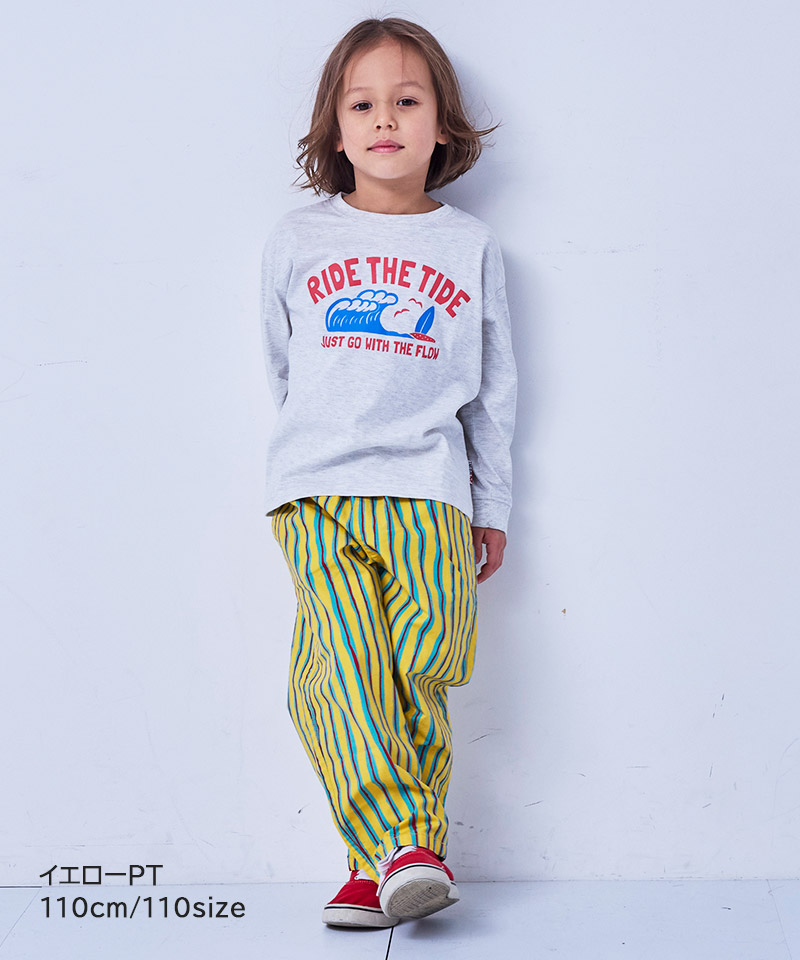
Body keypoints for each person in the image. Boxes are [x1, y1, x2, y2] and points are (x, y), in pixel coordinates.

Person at [259, 16, 517, 928]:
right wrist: (308, 452)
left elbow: (492, 391)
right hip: (318, 490)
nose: (384, 120)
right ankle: (406, 843)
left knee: (418, 669)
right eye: (362, 105)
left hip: (431, 492)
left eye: (407, 101)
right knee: (346, 663)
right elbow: (282, 366)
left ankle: (386, 868)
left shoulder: (470, 245)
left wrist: (491, 504)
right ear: (335, 131)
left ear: (441, 124)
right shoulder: (298, 239)